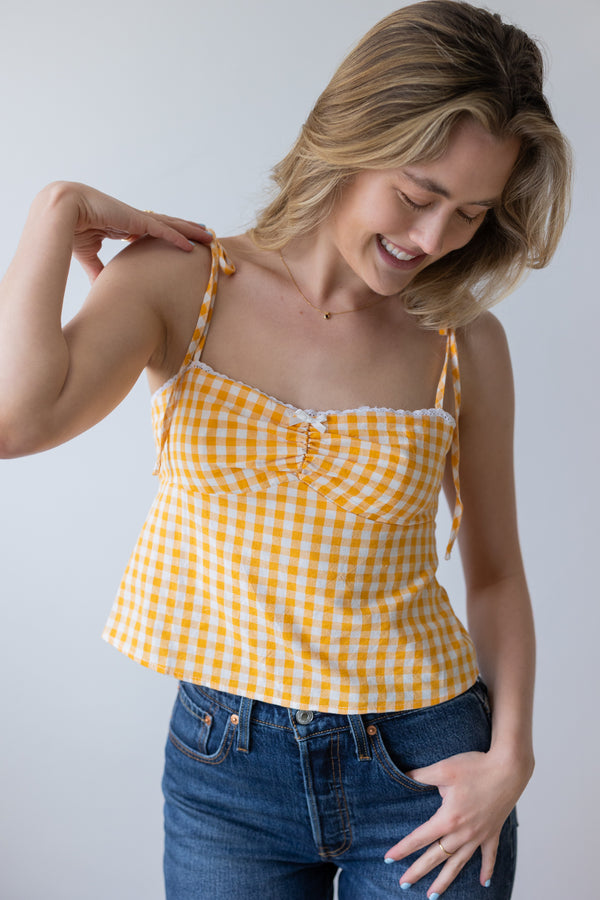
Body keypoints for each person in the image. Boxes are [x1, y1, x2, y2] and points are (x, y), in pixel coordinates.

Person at [0, 1, 571, 897]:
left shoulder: (464, 342)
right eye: (418, 195)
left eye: (469, 214)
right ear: (348, 139)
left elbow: (494, 571)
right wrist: (53, 209)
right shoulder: (182, 282)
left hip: (424, 768)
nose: (431, 240)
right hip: (225, 773)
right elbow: (15, 422)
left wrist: (512, 761)